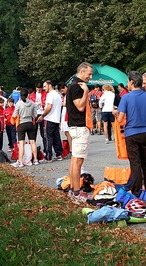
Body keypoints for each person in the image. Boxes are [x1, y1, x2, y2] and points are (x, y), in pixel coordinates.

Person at [114, 71, 146, 197]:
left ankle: (137, 192)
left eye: (128, 81)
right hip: (145, 132)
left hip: (131, 133)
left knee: (135, 163)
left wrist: (115, 113)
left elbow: (121, 119)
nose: (127, 83)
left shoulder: (126, 97)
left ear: (132, 82)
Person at [66, 62, 93, 202]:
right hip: (80, 127)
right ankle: (76, 193)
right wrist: (87, 93)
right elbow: (80, 107)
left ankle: (73, 189)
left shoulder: (72, 85)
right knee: (78, 162)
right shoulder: (78, 87)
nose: (90, 76)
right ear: (81, 72)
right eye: (89, 73)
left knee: (74, 160)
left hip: (74, 127)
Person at [11, 88, 39, 167]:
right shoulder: (32, 103)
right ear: (28, 95)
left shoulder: (18, 104)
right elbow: (36, 115)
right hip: (30, 123)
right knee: (32, 142)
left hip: (22, 124)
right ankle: (35, 159)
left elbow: (14, 115)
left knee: (21, 143)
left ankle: (20, 161)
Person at [37, 80, 63, 163]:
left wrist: (42, 115)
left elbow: (49, 106)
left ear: (49, 85)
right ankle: (59, 154)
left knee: (48, 137)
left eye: (45, 86)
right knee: (56, 136)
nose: (44, 88)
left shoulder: (50, 95)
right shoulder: (57, 95)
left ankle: (49, 156)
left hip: (49, 118)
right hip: (56, 119)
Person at [29, 82, 47, 155]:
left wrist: (42, 104)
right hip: (35, 115)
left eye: (40, 89)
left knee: (44, 133)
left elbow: (48, 103)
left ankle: (46, 149)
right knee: (33, 132)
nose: (39, 90)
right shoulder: (32, 95)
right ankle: (33, 150)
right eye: (37, 89)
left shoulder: (45, 94)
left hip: (43, 114)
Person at [59, 81, 72, 158]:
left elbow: (70, 104)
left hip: (67, 115)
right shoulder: (65, 95)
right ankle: (71, 148)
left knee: (68, 133)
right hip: (64, 114)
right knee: (66, 133)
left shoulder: (69, 94)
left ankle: (71, 150)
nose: (62, 92)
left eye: (62, 90)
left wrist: (63, 104)